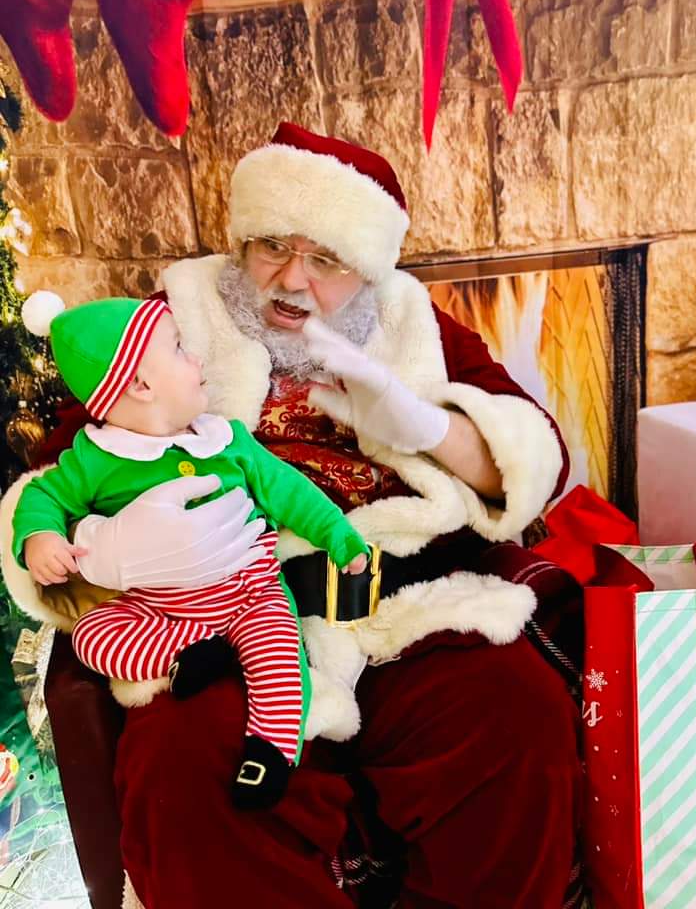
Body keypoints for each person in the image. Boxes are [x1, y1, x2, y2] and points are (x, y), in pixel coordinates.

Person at [0, 122, 583, 909]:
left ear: (367, 268)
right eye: (273, 246)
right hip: (217, 615)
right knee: (183, 768)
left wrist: (429, 428)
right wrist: (101, 545)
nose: (292, 280)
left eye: (327, 259)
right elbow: (59, 473)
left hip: (406, 602)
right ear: (243, 239)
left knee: (514, 719)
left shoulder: (413, 321)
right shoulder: (171, 317)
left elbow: (540, 457)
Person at [12, 294, 368, 808]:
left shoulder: (225, 440)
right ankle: (189, 652)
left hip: (250, 589)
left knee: (279, 658)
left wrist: (339, 536)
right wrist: (39, 538)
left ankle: (269, 754)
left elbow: (288, 490)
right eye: (179, 349)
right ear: (140, 385)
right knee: (92, 635)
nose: (197, 359)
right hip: (159, 606)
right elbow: (42, 496)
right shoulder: (96, 458)